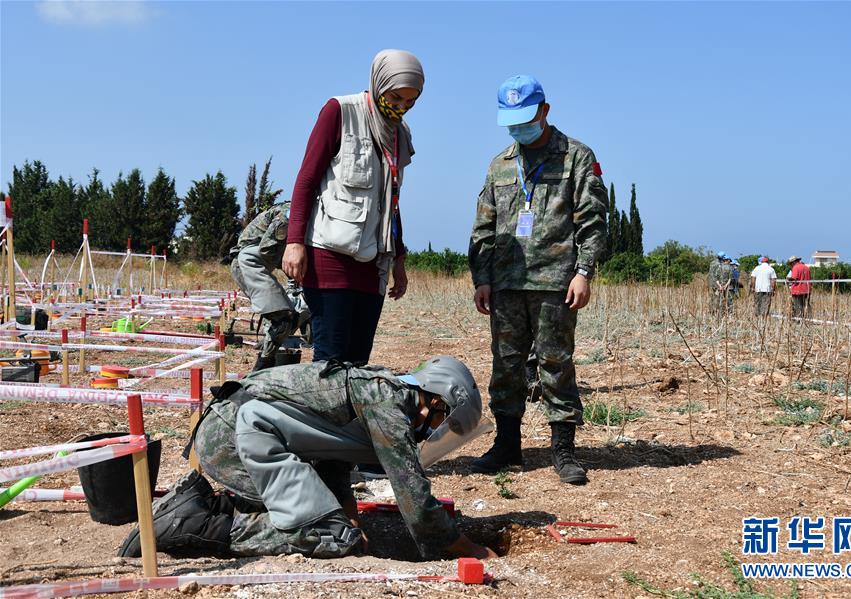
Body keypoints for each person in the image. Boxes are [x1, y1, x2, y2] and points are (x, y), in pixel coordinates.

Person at [119, 356, 497, 561]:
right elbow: (411, 493)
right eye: (439, 423)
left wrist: (347, 508)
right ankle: (195, 522)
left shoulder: (381, 390)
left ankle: (209, 505)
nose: (432, 434)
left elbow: (332, 455)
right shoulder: (391, 406)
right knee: (332, 536)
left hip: (237, 431)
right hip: (235, 439)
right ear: (435, 401)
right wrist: (466, 547)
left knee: (334, 519)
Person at [468, 75, 608, 485]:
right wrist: (482, 277)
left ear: (545, 111)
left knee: (555, 364)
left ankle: (563, 451)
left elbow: (592, 220)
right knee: (506, 367)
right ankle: (508, 447)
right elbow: (484, 227)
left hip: (556, 283)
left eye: (526, 118)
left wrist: (583, 272)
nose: (519, 127)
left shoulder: (577, 157)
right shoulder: (500, 164)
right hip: (507, 284)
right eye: (511, 121)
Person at [280, 50, 424, 365]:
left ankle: (349, 416)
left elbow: (392, 203)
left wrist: (399, 258)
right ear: (379, 82)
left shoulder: (400, 133)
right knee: (330, 362)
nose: (401, 107)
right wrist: (294, 242)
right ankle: (320, 415)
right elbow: (306, 180)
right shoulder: (339, 111)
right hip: (330, 257)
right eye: (396, 97)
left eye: (411, 102)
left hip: (373, 265)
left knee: (357, 364)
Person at [229, 203, 311, 371]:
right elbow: (268, 249)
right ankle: (261, 369)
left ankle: (267, 358)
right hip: (247, 264)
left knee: (288, 318)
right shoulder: (290, 215)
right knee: (282, 319)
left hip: (259, 262)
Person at [708, 251, 733, 316]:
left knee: (713, 297)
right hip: (718, 284)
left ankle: (712, 311)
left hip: (711, 283)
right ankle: (719, 312)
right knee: (720, 298)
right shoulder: (720, 265)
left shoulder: (712, 262)